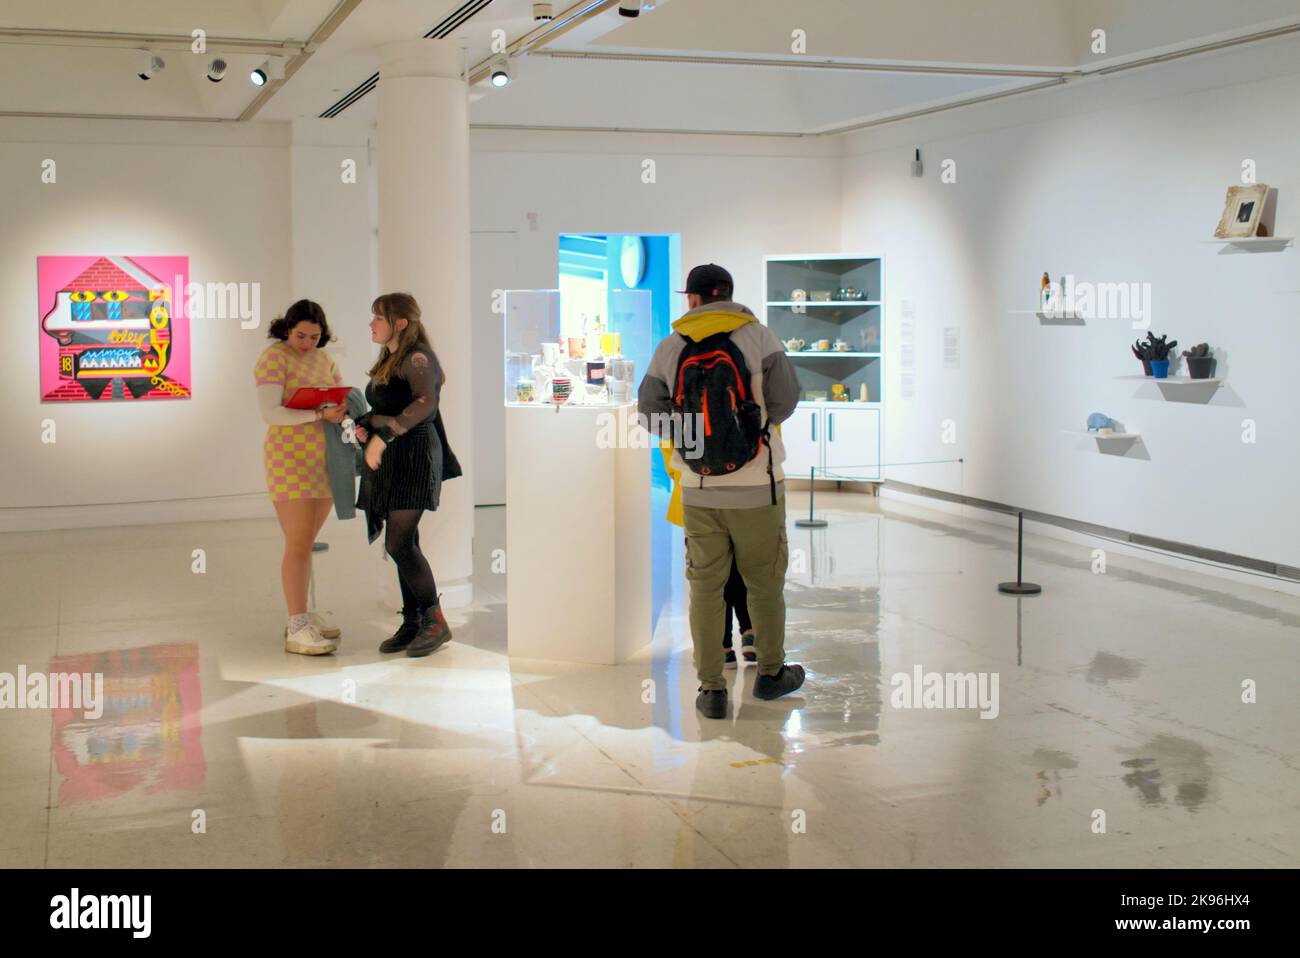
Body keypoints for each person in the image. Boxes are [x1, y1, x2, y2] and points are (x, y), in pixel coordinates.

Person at [639, 263, 805, 719]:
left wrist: (695, 442)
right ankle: (771, 675)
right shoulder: (760, 338)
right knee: (765, 584)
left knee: (705, 587)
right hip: (758, 487)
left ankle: (711, 689)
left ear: (692, 299)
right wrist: (751, 428)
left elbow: (649, 413)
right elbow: (787, 399)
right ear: (729, 294)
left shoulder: (671, 347)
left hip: (698, 489)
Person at [355, 293, 462, 657]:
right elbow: (388, 405)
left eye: (378, 318)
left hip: (415, 454)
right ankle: (414, 620)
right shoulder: (393, 357)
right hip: (396, 454)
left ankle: (436, 621)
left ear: (400, 322)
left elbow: (424, 405)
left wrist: (382, 436)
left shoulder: (418, 357)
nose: (372, 323)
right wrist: (366, 424)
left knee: (398, 543)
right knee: (406, 542)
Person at [253, 299, 350, 655]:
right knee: (297, 542)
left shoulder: (324, 359)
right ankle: (296, 625)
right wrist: (317, 414)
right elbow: (271, 413)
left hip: (325, 457)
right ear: (286, 329)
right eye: (301, 335)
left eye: (315, 336)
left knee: (307, 541)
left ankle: (304, 614)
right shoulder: (273, 357)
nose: (307, 342)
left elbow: (344, 395)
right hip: (288, 458)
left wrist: (339, 411)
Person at [660, 447, 756, 669]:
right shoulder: (756, 409)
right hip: (748, 497)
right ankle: (751, 631)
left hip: (696, 497)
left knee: (710, 576)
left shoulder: (682, 411)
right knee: (742, 567)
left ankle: (721, 649)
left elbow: (669, 447)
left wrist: (685, 477)